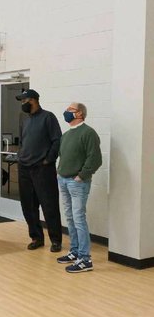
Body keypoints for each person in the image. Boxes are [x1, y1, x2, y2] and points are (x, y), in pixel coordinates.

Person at [57, 102, 102, 273]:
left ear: (80, 113)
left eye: (70, 110)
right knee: (69, 217)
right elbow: (63, 156)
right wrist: (59, 172)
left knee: (78, 218)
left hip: (78, 183)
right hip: (63, 179)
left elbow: (95, 159)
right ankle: (74, 251)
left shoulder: (88, 133)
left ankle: (85, 259)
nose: (66, 112)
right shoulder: (67, 135)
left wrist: (81, 176)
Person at [16, 89, 62, 252]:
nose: (23, 104)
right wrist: (20, 155)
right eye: (21, 101)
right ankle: (36, 237)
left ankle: (56, 240)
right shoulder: (24, 119)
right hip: (24, 168)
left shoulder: (48, 117)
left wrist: (48, 160)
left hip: (43, 169)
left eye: (24, 100)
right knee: (28, 205)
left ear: (33, 100)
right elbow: (22, 140)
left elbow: (57, 141)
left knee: (49, 205)